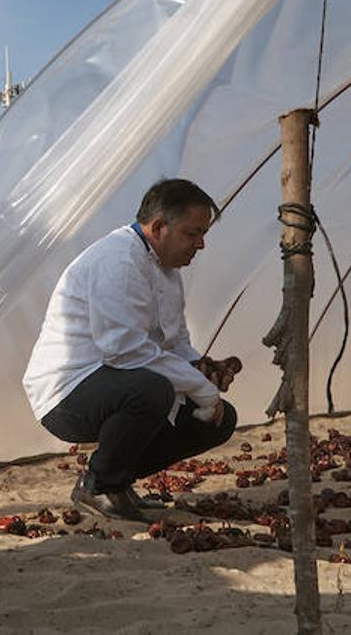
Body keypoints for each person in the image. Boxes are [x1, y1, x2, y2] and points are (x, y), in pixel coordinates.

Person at [21, 178, 240, 523]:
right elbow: (124, 351)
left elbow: (174, 343)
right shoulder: (119, 261)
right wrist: (200, 388)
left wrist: (201, 367)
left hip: (116, 382)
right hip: (66, 394)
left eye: (203, 234)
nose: (201, 244)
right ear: (158, 227)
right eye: (193, 233)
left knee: (221, 420)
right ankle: (100, 485)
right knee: (152, 390)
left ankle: (116, 481)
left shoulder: (168, 272)